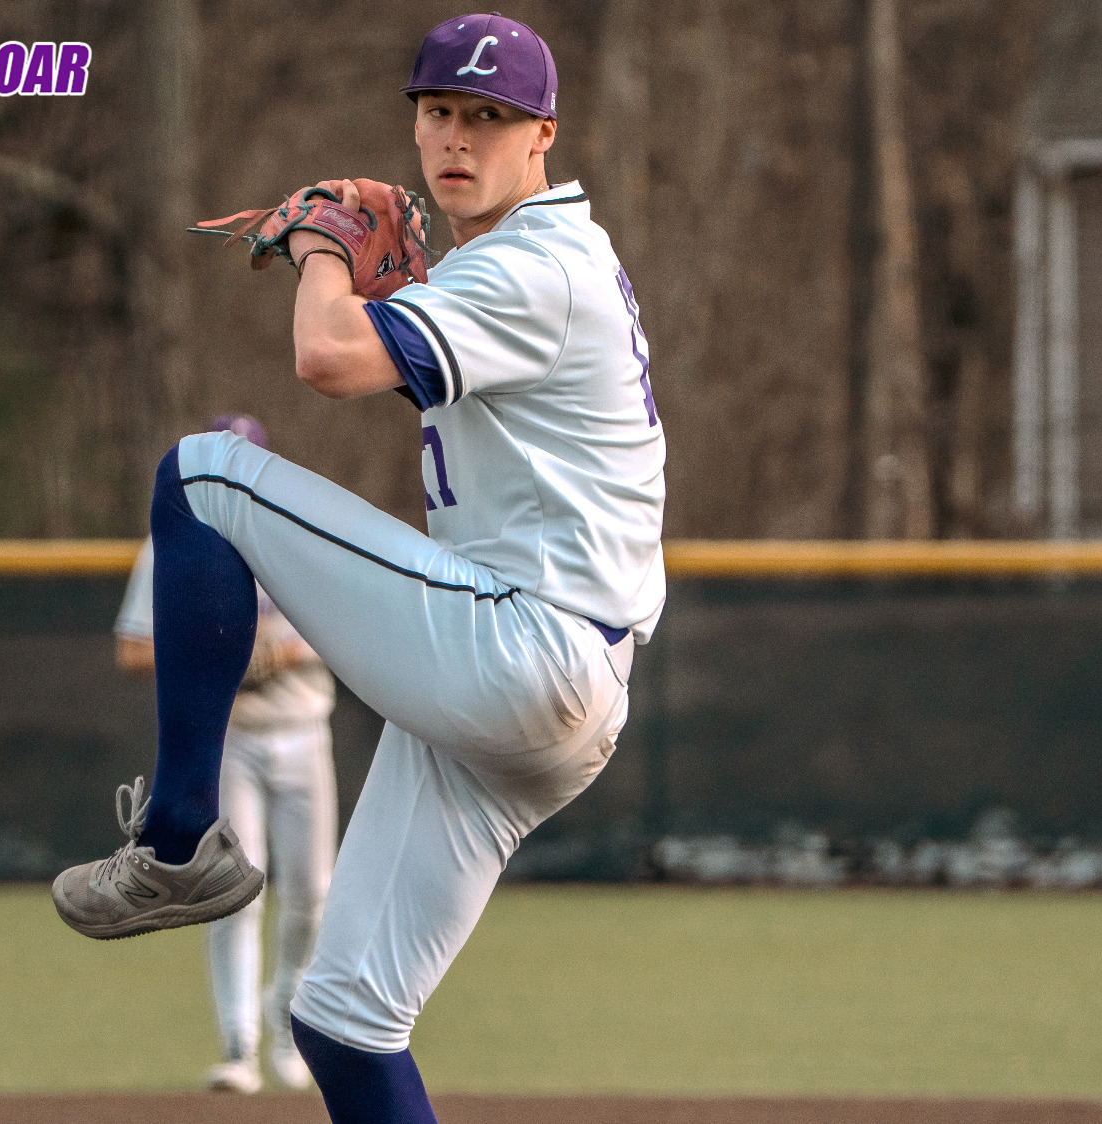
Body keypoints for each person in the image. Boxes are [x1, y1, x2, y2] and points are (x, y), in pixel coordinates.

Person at [53, 14, 664, 1123]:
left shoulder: (538, 264)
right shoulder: (526, 261)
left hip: (522, 645)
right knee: (342, 1022)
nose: (458, 137)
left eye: (491, 117)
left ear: (544, 135)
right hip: (542, 687)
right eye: (440, 111)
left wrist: (324, 246)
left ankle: (178, 838)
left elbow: (328, 356)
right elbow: (403, 363)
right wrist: (379, 279)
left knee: (201, 479)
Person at [113, 414, 337, 1095]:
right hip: (231, 737)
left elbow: (347, 626)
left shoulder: (298, 530)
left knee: (313, 896)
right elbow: (133, 649)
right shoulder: (176, 540)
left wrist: (282, 653)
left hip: (303, 729)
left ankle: (288, 1024)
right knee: (235, 890)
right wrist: (217, 655)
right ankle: (239, 1046)